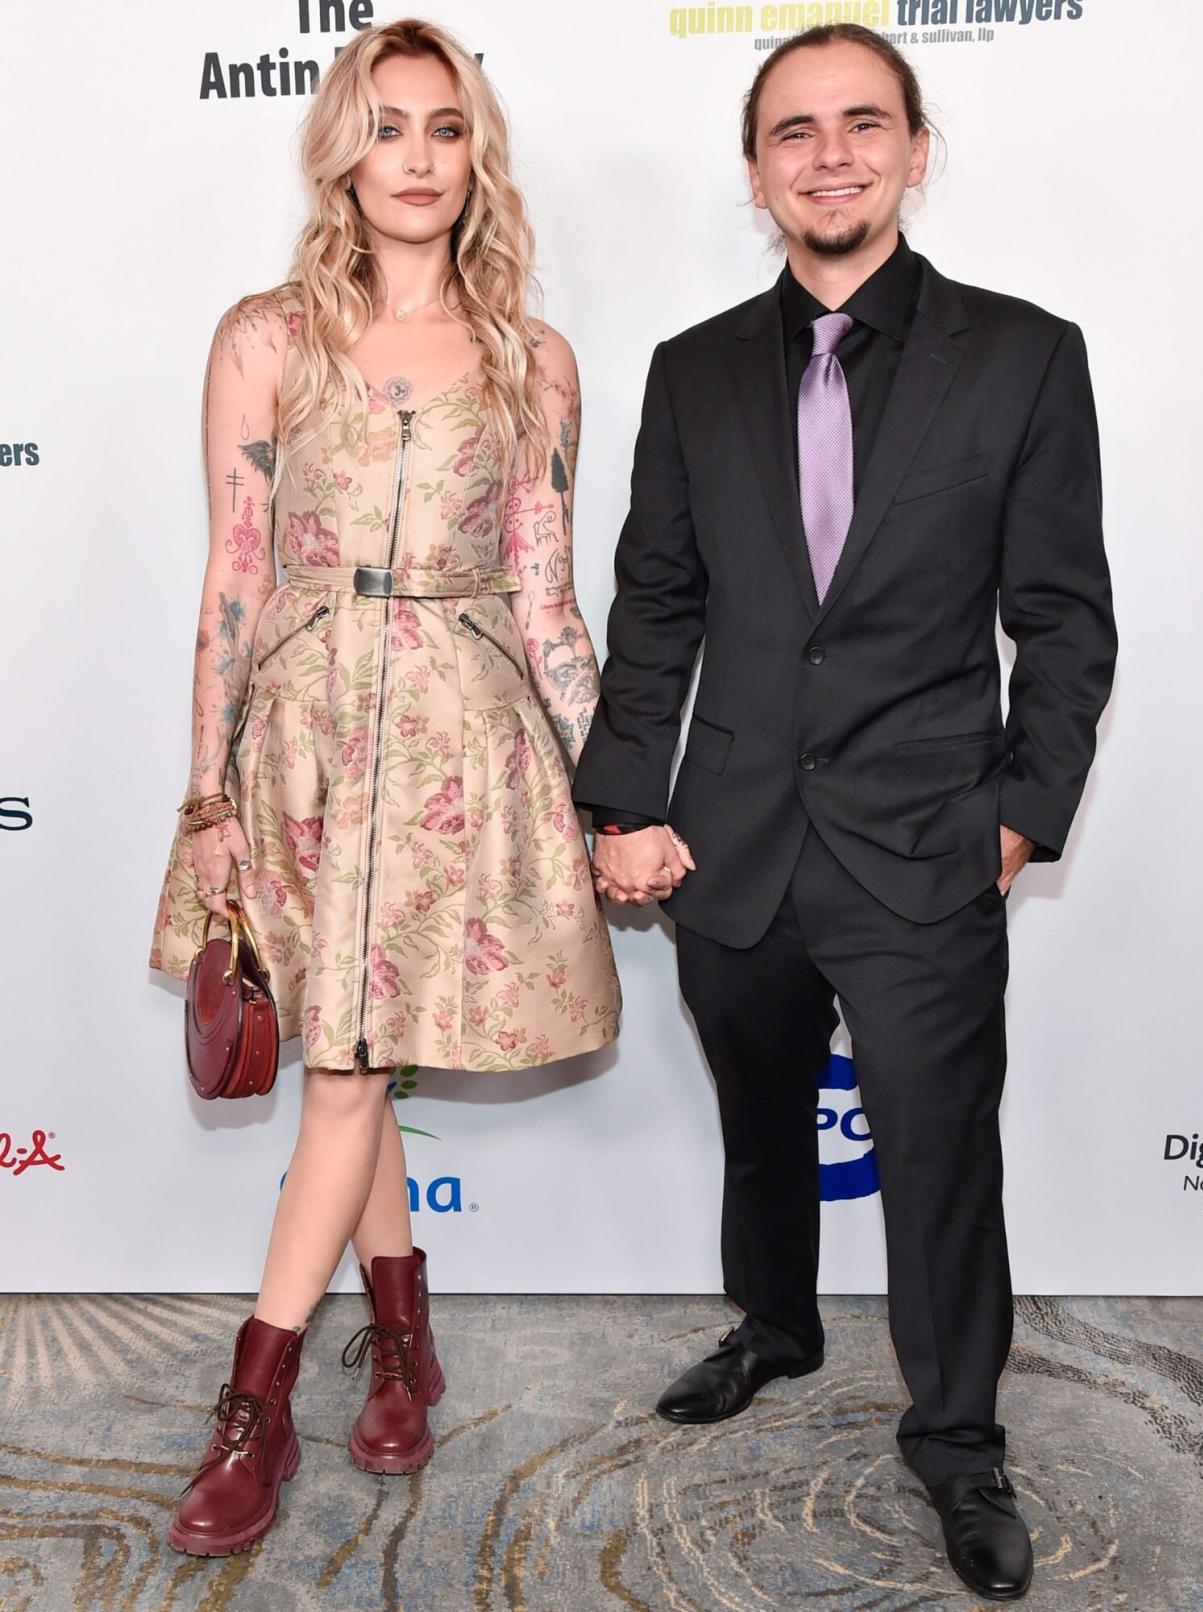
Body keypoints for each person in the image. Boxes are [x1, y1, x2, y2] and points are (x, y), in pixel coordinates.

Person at [574, 23, 1115, 1602]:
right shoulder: (689, 372)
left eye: (860, 123)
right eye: (793, 131)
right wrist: (622, 804)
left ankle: (955, 1442)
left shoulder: (1020, 354)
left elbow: (1063, 618)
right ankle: (779, 1326)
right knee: (759, 1130)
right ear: (756, 173)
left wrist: (1020, 814)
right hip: (723, 842)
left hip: (925, 840)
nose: (828, 153)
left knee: (940, 1155)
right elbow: (655, 606)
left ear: (912, 148)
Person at [150, 19, 620, 1557]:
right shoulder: (262, 336)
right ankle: (398, 1345)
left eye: (445, 128)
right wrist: (206, 788)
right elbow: (229, 576)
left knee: (354, 1067)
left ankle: (257, 1406)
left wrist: (607, 789)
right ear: (342, 149)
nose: (418, 159)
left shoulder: (530, 359)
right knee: (344, 1059)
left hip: (456, 740)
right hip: (295, 729)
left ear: (477, 152)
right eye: (389, 127)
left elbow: (548, 597)